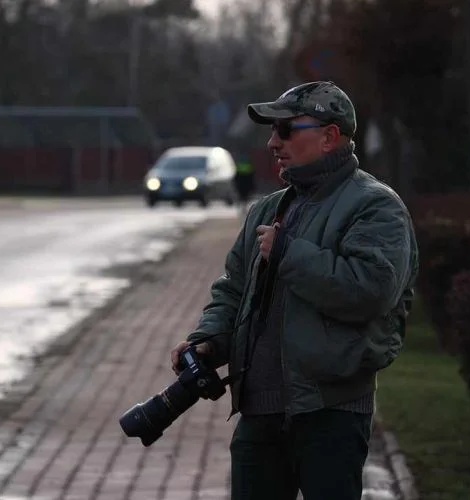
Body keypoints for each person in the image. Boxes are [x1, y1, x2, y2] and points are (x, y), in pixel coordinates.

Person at [170, 81, 419, 500]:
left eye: (286, 130)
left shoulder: (375, 206)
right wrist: (208, 342)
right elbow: (233, 290)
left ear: (329, 136)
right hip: (258, 414)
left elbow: (371, 291)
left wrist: (289, 252)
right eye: (272, 131)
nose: (273, 142)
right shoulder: (267, 210)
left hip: (330, 413)